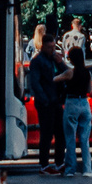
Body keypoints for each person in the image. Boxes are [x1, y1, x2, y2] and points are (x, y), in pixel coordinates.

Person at [26, 24, 65, 175]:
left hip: (55, 100)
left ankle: (59, 162)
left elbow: (68, 72)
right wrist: (45, 100)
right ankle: (44, 164)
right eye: (50, 47)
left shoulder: (54, 59)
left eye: (54, 47)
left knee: (59, 133)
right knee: (47, 134)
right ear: (43, 47)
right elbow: (35, 83)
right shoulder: (38, 61)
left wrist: (60, 62)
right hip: (46, 102)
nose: (52, 50)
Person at [60, 42, 92, 178]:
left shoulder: (70, 73)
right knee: (85, 140)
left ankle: (70, 169)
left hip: (72, 102)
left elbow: (55, 79)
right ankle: (87, 170)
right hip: (84, 103)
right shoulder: (87, 73)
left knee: (70, 138)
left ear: (71, 59)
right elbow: (89, 90)